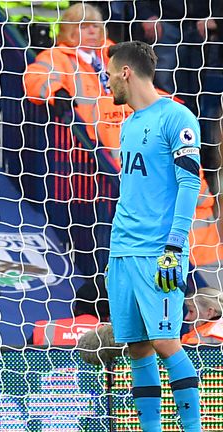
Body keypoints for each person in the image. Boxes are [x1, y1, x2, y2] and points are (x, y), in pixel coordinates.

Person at [105, 41, 202, 432]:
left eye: (110, 73)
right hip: (122, 251)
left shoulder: (176, 117)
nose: (108, 81)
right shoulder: (127, 124)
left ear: (126, 72)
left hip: (158, 251)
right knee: (138, 347)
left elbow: (189, 183)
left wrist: (174, 245)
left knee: (165, 342)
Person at [24, 3, 126, 153]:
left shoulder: (115, 54)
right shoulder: (56, 56)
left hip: (121, 136)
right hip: (81, 143)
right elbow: (35, 76)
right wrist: (55, 91)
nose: (92, 31)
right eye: (84, 26)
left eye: (95, 26)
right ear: (70, 31)